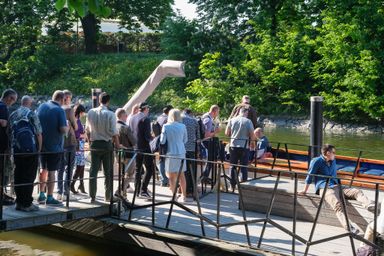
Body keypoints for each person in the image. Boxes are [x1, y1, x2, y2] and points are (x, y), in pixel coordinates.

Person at [299, 144, 375, 234]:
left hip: (337, 185)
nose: (335, 154)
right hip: (325, 188)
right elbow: (310, 176)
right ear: (327, 153)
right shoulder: (316, 161)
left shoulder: (333, 160)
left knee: (356, 191)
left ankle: (370, 205)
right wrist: (304, 190)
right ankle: (349, 227)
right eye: (333, 152)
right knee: (338, 205)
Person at [86, 92, 120, 203]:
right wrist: (118, 146)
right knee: (108, 172)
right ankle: (108, 196)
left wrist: (90, 142)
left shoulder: (90, 112)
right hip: (106, 145)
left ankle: (92, 196)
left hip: (94, 144)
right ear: (108, 101)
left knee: (93, 171)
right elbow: (114, 132)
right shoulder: (111, 114)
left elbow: (87, 130)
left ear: (99, 100)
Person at [9, 95, 42, 211]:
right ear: (30, 103)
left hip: (17, 151)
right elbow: (38, 133)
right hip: (30, 151)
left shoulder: (13, 115)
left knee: (18, 175)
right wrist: (39, 149)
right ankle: (27, 204)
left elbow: (10, 133)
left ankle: (19, 202)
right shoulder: (32, 114)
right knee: (29, 177)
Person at [37, 90, 68, 205]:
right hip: (54, 147)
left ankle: (41, 195)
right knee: (52, 172)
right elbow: (63, 130)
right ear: (62, 99)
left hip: (41, 145)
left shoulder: (41, 106)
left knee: (42, 169)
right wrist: (68, 128)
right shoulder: (59, 110)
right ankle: (50, 197)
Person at [160, 109, 191, 202]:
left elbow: (162, 141)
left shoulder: (166, 126)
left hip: (170, 153)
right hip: (181, 152)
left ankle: (174, 196)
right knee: (182, 175)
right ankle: (184, 196)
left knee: (171, 176)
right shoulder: (183, 126)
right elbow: (185, 140)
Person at [225, 107, 255, 190]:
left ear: (239, 112)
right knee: (243, 167)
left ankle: (232, 186)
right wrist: (252, 143)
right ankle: (243, 187)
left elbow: (227, 133)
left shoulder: (232, 120)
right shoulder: (248, 121)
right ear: (245, 113)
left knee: (232, 166)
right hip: (244, 146)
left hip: (233, 146)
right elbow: (252, 135)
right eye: (247, 113)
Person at [129, 102, 154, 199]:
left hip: (135, 146)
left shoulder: (132, 118)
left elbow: (130, 132)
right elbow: (147, 136)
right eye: (148, 109)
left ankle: (137, 190)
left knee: (138, 169)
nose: (148, 110)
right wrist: (153, 138)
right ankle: (143, 190)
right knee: (150, 169)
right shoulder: (146, 119)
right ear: (146, 109)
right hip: (144, 147)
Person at [57, 90, 78, 200]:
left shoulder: (57, 109)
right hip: (69, 142)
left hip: (59, 143)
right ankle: (66, 192)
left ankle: (59, 192)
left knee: (60, 168)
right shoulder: (69, 110)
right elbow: (76, 127)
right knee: (69, 168)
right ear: (68, 98)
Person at [114, 108, 136, 198]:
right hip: (128, 153)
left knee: (121, 174)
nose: (127, 116)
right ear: (122, 116)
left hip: (118, 153)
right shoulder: (125, 128)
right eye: (126, 115)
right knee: (130, 174)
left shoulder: (114, 126)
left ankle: (124, 194)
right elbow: (134, 142)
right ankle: (120, 190)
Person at [0, 89, 17, 205]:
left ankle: (2, 193)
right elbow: (3, 123)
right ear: (9, 98)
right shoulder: (3, 107)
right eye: (13, 100)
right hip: (1, 146)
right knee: (1, 171)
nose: (13, 103)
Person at [200, 105, 221, 184]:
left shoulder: (206, 117)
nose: (218, 114)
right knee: (210, 160)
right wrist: (216, 131)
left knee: (210, 161)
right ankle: (204, 178)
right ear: (214, 111)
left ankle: (204, 177)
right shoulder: (208, 120)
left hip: (205, 143)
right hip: (206, 143)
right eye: (218, 112)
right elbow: (207, 135)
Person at [182, 108, 199, 197]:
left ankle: (182, 189)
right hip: (191, 148)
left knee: (183, 170)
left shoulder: (180, 119)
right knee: (191, 169)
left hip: (182, 148)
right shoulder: (194, 121)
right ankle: (191, 189)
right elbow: (198, 136)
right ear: (190, 113)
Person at [70, 104, 87, 194]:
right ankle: (72, 184)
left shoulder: (77, 120)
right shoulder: (76, 120)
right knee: (80, 165)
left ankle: (81, 184)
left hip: (80, 144)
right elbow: (75, 134)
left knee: (82, 165)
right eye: (83, 112)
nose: (83, 114)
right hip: (78, 145)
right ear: (80, 112)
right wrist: (83, 135)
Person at [157, 105, 173, 187]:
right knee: (164, 161)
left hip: (159, 141)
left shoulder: (159, 117)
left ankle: (163, 180)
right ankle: (165, 180)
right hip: (166, 142)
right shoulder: (167, 120)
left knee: (161, 160)